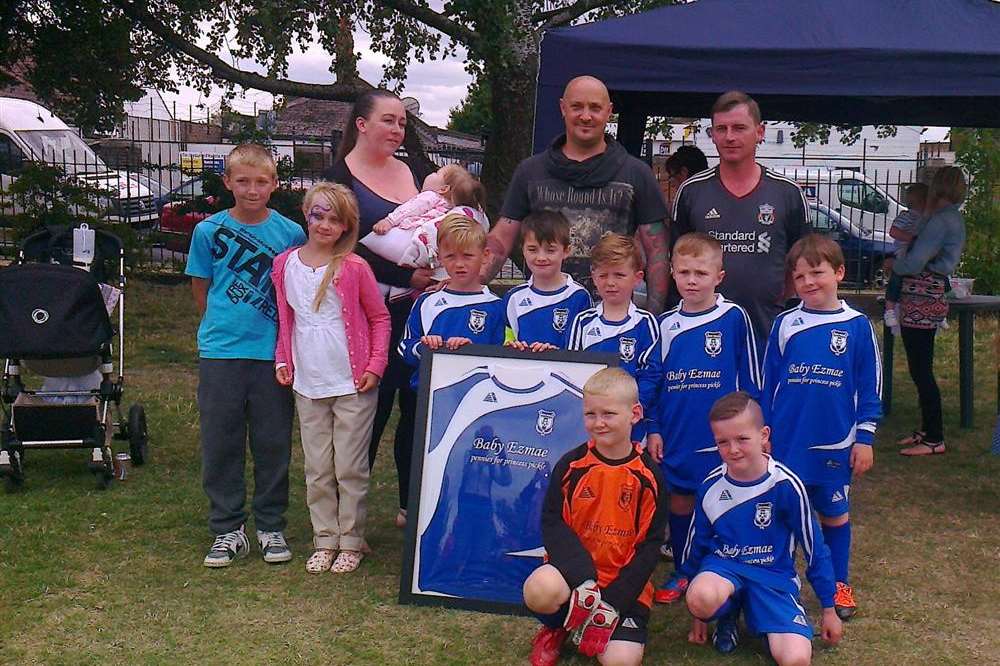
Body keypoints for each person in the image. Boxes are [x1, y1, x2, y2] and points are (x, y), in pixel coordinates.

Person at [185, 143, 306, 568]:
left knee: (273, 441)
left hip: (272, 353)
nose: (252, 190)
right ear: (227, 183)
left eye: (260, 182)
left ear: (274, 184)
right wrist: (219, 324)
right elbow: (201, 287)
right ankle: (227, 528)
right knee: (221, 440)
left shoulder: (291, 234)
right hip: (221, 351)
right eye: (243, 181)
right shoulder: (208, 232)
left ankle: (270, 524)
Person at [272, 183, 391, 574]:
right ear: (306, 214)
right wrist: (282, 359)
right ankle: (325, 537)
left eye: (335, 219)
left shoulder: (353, 267)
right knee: (318, 467)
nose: (324, 224)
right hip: (309, 383)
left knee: (350, 467)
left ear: (346, 226)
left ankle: (351, 540)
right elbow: (286, 320)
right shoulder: (284, 264)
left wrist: (374, 365)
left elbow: (379, 317)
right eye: (318, 215)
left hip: (351, 383)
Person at [761, 234, 881, 620]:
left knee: (834, 515)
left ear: (839, 273)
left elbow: (870, 386)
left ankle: (838, 583)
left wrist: (865, 438)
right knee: (786, 513)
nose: (809, 282)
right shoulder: (785, 323)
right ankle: (784, 581)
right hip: (788, 440)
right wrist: (764, 430)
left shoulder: (857, 326)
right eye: (800, 277)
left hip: (835, 442)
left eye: (818, 273)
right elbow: (769, 383)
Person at [324, 90, 435, 500]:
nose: (397, 129)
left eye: (402, 123)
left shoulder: (415, 171)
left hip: (417, 309)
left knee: (415, 405)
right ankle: (348, 511)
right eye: (389, 120)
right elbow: (339, 247)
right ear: (362, 124)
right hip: (366, 311)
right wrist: (407, 274)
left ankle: (411, 505)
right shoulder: (338, 178)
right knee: (369, 409)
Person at [482, 75, 670, 313]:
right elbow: (501, 240)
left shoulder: (636, 174)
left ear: (609, 111)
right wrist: (465, 286)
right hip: (542, 316)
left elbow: (658, 253)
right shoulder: (530, 172)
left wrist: (654, 316)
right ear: (562, 108)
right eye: (577, 106)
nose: (586, 116)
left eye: (595, 107)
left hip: (610, 322)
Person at [681, 391, 843, 663]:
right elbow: (698, 543)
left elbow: (815, 547)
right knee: (701, 596)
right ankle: (727, 614)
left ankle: (759, 611)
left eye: (742, 439)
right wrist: (699, 614)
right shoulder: (711, 486)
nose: (733, 449)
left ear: (764, 435)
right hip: (725, 568)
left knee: (796, 659)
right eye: (723, 442)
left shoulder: (786, 486)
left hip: (772, 575)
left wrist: (829, 607)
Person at [645, 232, 761, 605]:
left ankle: (728, 570)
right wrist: (654, 429)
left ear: (719, 277)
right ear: (673, 276)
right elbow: (655, 385)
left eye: (700, 272)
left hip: (722, 438)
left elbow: (751, 379)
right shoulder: (663, 325)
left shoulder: (733, 318)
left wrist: (755, 430)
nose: (692, 281)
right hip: (678, 433)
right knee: (680, 503)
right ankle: (683, 569)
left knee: (723, 502)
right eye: (684, 273)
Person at [523, 368, 667, 666]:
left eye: (609, 414)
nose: (598, 423)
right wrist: (584, 580)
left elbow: (650, 547)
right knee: (539, 589)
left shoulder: (649, 476)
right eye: (590, 414)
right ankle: (558, 627)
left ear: (635, 413)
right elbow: (553, 523)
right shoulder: (572, 465)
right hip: (576, 580)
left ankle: (604, 622)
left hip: (623, 586)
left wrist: (613, 602)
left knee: (621, 661)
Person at [671, 91, 808, 347]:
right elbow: (675, 259)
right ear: (712, 134)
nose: (730, 136)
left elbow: (803, 261)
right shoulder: (691, 192)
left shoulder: (788, 193)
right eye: (721, 129)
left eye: (739, 128)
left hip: (770, 330)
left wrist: (784, 304)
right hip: (703, 330)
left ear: (760, 132)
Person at [396, 214, 506, 525]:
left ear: (484, 256)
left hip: (476, 406)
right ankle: (427, 527)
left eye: (467, 256)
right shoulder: (428, 303)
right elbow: (405, 348)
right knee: (431, 467)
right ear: (439, 257)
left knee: (470, 468)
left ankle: (468, 526)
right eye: (450, 256)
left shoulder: (496, 306)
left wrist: (470, 351)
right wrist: (426, 347)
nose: (459, 264)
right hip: (431, 402)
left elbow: (503, 356)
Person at [892, 166, 967, 457]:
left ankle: (935, 436)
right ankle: (927, 428)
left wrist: (894, 265)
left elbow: (914, 262)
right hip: (931, 291)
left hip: (921, 292)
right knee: (920, 364)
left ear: (939, 186)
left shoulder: (939, 221)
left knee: (921, 367)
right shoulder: (952, 219)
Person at [567, 234, 659, 439]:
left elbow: (651, 377)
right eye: (603, 276)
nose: (610, 283)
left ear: (637, 278)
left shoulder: (646, 323)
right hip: (592, 427)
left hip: (633, 427)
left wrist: (629, 413)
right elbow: (572, 374)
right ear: (593, 277)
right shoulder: (582, 322)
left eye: (619, 275)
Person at [360, 163, 488, 300]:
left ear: (444, 189)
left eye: (438, 173)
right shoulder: (453, 209)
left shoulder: (430, 196)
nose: (432, 174)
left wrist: (389, 221)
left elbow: (408, 209)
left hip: (407, 239)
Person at [503, 210, 592, 351]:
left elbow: (585, 348)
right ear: (523, 250)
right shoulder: (513, 298)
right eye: (533, 249)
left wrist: (555, 355)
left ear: (566, 251)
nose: (541, 257)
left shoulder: (579, 296)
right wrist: (511, 346)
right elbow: (505, 341)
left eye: (550, 250)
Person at [883, 183, 929, 335]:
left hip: (921, 255)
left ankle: (940, 307)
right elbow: (893, 231)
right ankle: (889, 309)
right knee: (897, 278)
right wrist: (912, 238)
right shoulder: (907, 216)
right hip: (904, 253)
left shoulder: (928, 218)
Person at [663, 145, 709, 214]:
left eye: (672, 176)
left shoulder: (688, 206)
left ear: (683, 172)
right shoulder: (716, 195)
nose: (671, 183)